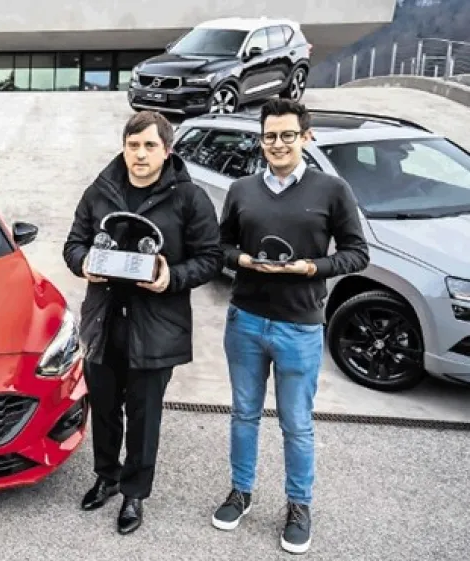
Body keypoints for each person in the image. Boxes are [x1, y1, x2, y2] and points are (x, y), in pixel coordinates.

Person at [210, 98, 369, 554]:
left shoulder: (333, 190)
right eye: (269, 136)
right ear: (260, 140)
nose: (277, 144)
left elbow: (357, 253)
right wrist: (241, 260)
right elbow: (220, 246)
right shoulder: (241, 189)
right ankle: (241, 492)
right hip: (245, 319)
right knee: (244, 413)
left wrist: (313, 268)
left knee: (296, 423)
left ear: (305, 136)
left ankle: (299, 505)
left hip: (299, 325)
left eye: (287, 135)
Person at [63, 110, 222, 534]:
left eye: (150, 145)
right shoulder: (100, 191)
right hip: (104, 320)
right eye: (133, 145)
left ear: (166, 150)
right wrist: (84, 263)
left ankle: (135, 492)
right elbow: (73, 244)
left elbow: (210, 258)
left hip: (156, 325)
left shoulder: (190, 198)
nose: (140, 154)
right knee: (105, 408)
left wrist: (173, 277)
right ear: (123, 147)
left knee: (144, 414)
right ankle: (107, 476)